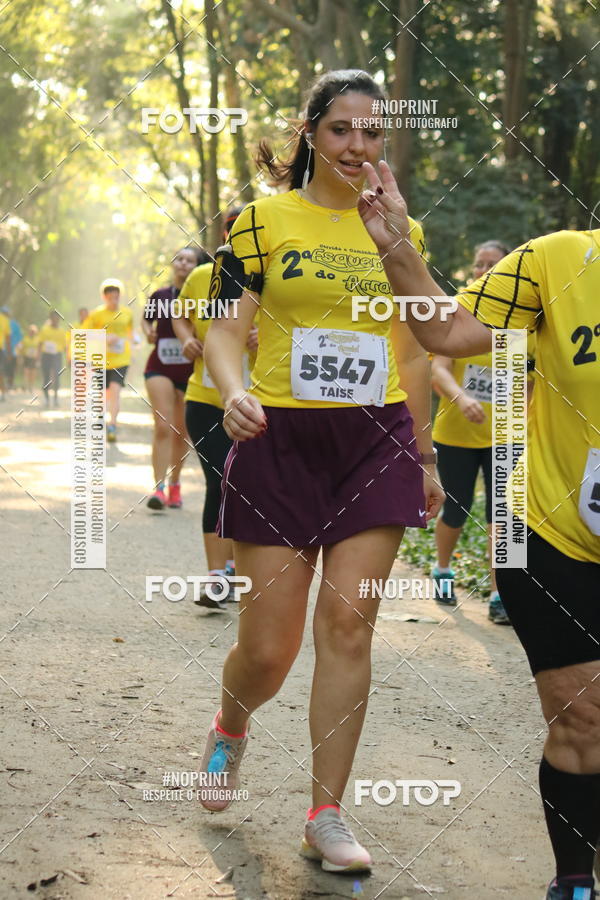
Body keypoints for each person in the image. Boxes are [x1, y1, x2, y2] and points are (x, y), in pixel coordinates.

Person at [198, 70, 444, 873]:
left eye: (372, 133)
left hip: (373, 444)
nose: (357, 147)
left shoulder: (398, 231)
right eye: (341, 130)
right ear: (310, 134)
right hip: (278, 437)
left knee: (348, 625)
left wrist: (426, 452)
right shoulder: (260, 222)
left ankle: (325, 815)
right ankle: (231, 725)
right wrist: (233, 394)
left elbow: (414, 348)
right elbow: (227, 332)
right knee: (269, 649)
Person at [357, 160, 600, 900]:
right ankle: (575, 880)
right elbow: (453, 330)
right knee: (585, 717)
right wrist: (398, 246)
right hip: (554, 531)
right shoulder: (559, 259)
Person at [172, 208, 256, 608]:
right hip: (205, 399)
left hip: (259, 403)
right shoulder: (203, 277)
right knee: (220, 479)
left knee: (246, 483)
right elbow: (179, 314)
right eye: (234, 229)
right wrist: (187, 338)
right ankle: (216, 577)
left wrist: (266, 337)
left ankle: (239, 572)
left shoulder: (276, 277)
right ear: (224, 234)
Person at [430, 240, 511, 623]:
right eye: (478, 264)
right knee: (456, 508)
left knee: (506, 515)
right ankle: (443, 570)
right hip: (456, 433)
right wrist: (462, 398)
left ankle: (502, 594)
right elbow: (439, 369)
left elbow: (530, 380)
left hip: (508, 435)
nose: (482, 270)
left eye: (491, 264)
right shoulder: (458, 309)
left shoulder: (521, 315)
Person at [142, 246, 209, 510]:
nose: (183, 264)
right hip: (159, 366)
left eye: (189, 261)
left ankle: (175, 484)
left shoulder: (204, 295)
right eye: (179, 259)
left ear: (197, 267)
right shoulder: (160, 295)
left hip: (192, 370)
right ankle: (158, 489)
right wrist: (148, 332)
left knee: (181, 432)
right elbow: (146, 320)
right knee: (162, 426)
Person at [83, 279, 132, 442]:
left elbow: (132, 336)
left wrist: (134, 341)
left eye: (116, 297)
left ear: (120, 296)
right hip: (100, 360)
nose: (114, 300)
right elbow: (84, 335)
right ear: (104, 297)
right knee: (103, 394)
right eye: (110, 297)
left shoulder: (127, 314)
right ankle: (99, 418)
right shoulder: (96, 315)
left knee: (115, 391)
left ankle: (112, 426)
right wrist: (104, 337)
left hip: (121, 359)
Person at [37, 310, 68, 408]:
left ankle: (55, 398)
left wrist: (68, 358)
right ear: (50, 319)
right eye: (53, 318)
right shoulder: (44, 329)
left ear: (59, 319)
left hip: (57, 356)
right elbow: (40, 344)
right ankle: (46, 399)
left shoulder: (62, 331)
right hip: (46, 355)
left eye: (57, 318)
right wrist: (38, 358)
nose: (55, 320)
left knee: (57, 376)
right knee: (46, 377)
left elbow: (65, 347)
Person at [19, 324, 39, 394]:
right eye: (31, 331)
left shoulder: (38, 339)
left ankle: (31, 386)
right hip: (26, 357)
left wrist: (38, 358)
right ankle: (26, 385)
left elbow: (40, 349)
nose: (32, 332)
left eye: (33, 331)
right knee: (26, 372)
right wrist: (20, 357)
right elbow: (20, 348)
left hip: (34, 358)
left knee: (33, 373)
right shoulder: (25, 339)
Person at [0, 308, 9, 401]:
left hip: (1, 349)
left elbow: (7, 337)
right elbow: (8, 339)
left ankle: (2, 393)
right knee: (1, 372)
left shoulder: (5, 321)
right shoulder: (5, 321)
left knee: (1, 372)